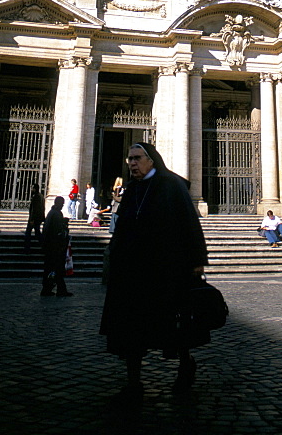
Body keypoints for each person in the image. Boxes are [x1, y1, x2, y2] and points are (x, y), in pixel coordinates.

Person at [100, 142, 209, 401]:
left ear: (151, 160)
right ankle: (134, 382)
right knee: (129, 329)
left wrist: (196, 259)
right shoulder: (132, 189)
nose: (132, 163)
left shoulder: (172, 185)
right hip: (132, 272)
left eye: (137, 158)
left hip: (166, 270)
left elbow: (189, 223)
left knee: (172, 325)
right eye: (129, 159)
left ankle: (185, 363)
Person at [40, 196, 72, 297]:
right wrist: (65, 227)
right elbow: (58, 232)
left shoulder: (51, 213)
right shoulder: (57, 214)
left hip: (50, 246)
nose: (62, 206)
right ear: (58, 203)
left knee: (51, 269)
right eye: (62, 204)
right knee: (57, 269)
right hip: (55, 247)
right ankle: (58, 290)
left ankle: (50, 289)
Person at [24, 183, 45, 253]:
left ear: (35, 189)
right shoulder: (41, 196)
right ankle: (43, 246)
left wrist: (32, 219)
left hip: (34, 218)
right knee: (37, 233)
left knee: (28, 233)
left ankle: (27, 249)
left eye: (32, 188)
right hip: (38, 218)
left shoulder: (36, 197)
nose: (31, 190)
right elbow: (43, 208)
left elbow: (34, 209)